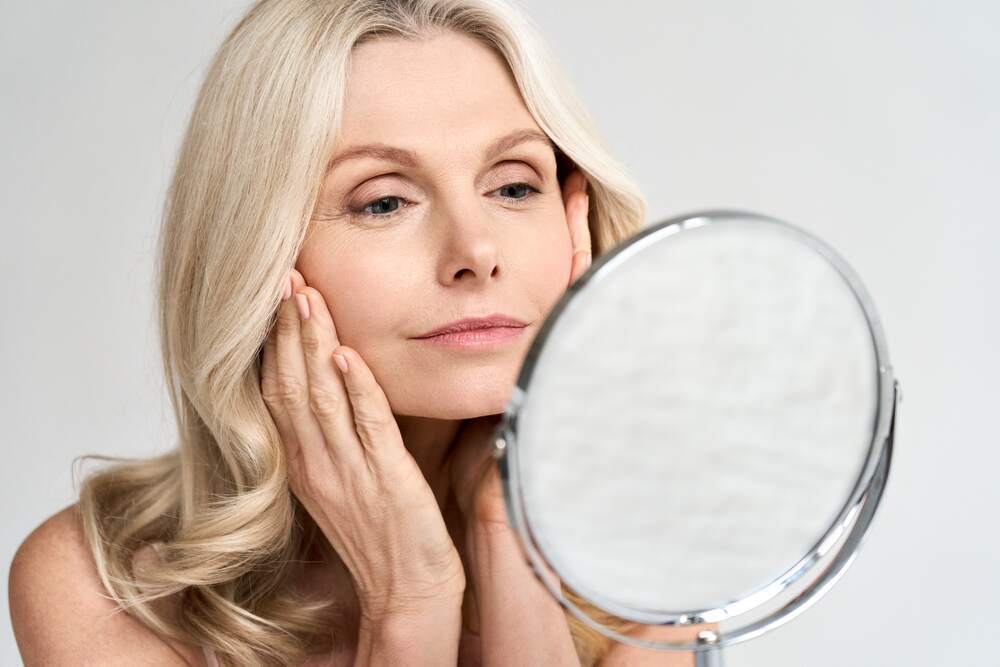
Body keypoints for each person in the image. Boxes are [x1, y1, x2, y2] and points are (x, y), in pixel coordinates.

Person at [9, 0, 714, 664]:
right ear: (259, 254)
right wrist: (408, 601)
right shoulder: (105, 584)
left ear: (572, 222)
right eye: (383, 201)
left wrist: (507, 534)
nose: (476, 249)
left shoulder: (647, 563)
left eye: (513, 186)